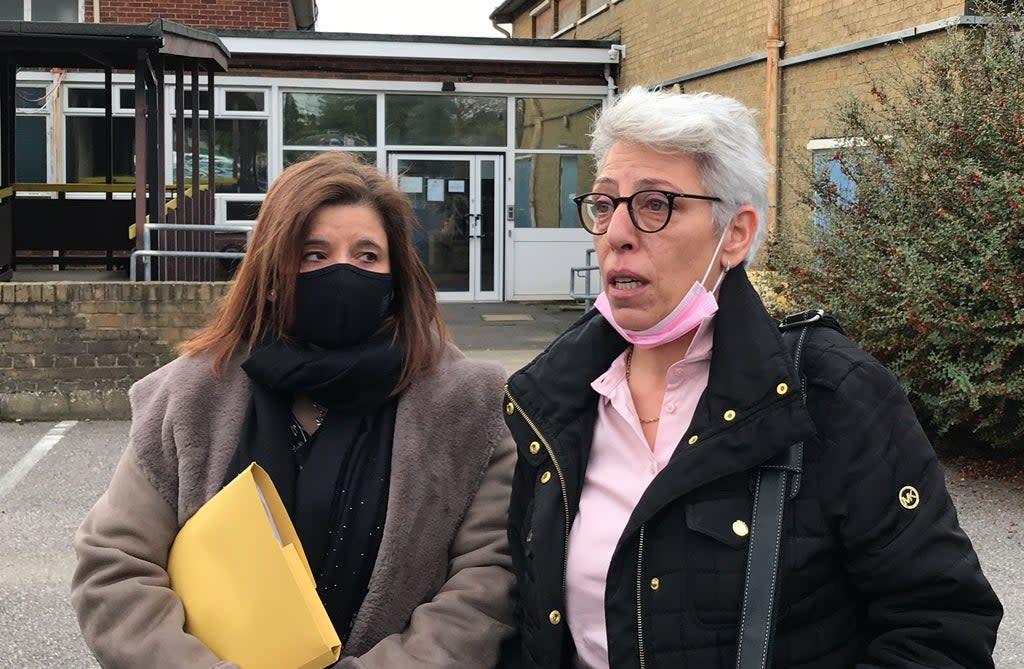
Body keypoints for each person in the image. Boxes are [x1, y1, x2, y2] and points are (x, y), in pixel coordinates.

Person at [501, 87, 1002, 668]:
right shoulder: (553, 399)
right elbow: (531, 618)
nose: (617, 232)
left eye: (655, 204)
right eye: (606, 204)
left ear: (733, 235)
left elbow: (941, 627)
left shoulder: (833, 396)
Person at [72, 152, 516, 668]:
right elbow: (116, 566)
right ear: (273, 268)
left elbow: (488, 581)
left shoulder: (467, 407)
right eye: (314, 254)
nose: (343, 273)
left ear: (397, 274)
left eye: (367, 255)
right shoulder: (192, 395)